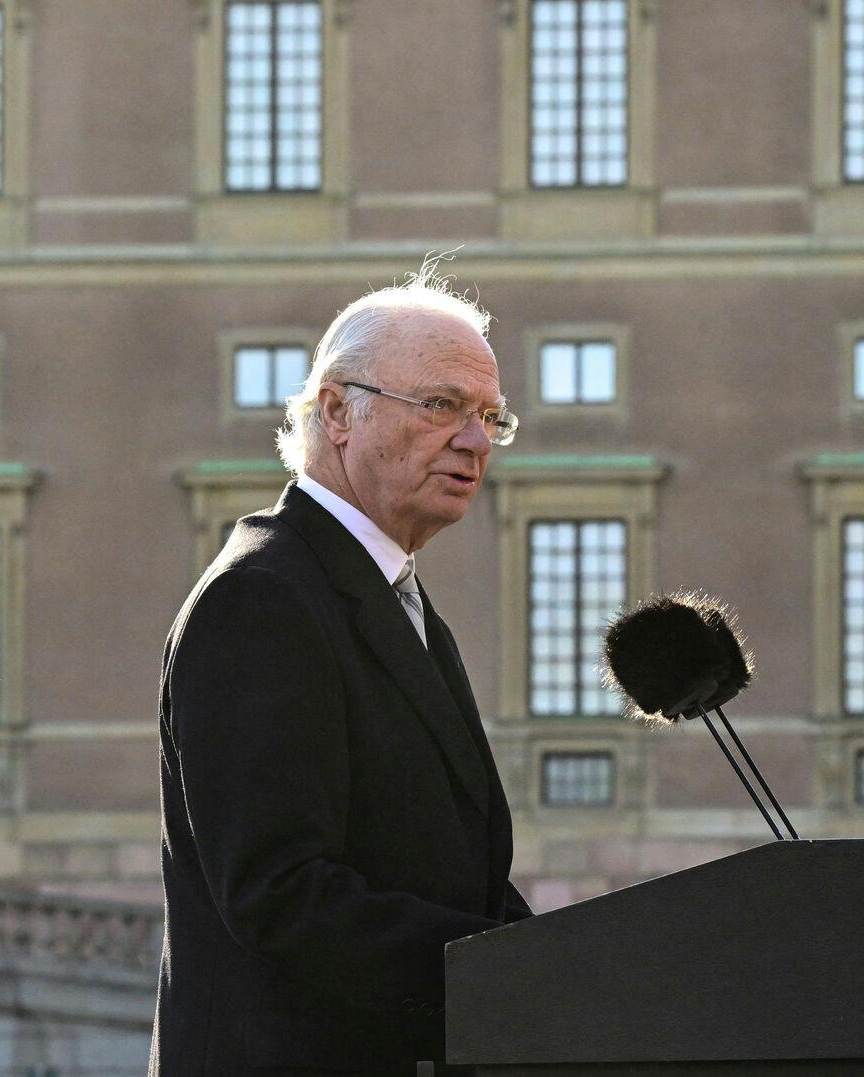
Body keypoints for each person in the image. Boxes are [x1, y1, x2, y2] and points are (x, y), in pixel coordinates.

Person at [152, 269, 531, 1076]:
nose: (473, 440)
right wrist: (508, 968)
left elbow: (457, 875)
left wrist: (566, 960)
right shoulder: (260, 598)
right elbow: (280, 894)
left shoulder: (391, 595)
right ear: (336, 410)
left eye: (490, 418)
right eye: (442, 406)